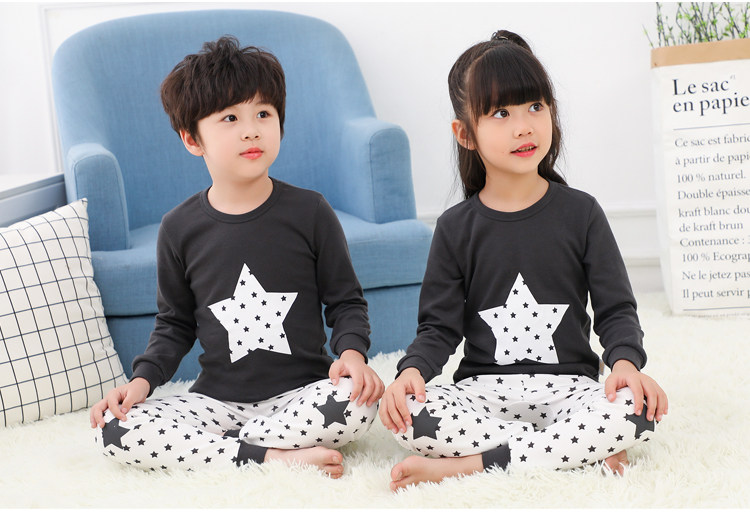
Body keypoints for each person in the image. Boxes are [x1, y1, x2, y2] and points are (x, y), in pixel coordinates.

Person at [379, 30, 668, 491]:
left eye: (535, 106)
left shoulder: (582, 213)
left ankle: (472, 465)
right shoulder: (454, 227)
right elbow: (438, 328)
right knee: (409, 416)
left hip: (571, 389)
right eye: (501, 113)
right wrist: (410, 371)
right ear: (465, 134)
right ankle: (573, 453)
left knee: (637, 410)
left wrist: (626, 365)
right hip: (483, 392)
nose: (524, 127)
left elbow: (615, 309)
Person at [89, 36, 384, 478]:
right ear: (192, 139)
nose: (251, 130)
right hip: (217, 401)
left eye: (264, 114)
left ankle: (228, 452)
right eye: (230, 118)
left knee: (358, 403)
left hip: (302, 394)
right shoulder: (179, 227)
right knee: (112, 429)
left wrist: (354, 356)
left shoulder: (310, 211)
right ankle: (271, 457)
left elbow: (346, 302)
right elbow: (174, 324)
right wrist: (140, 382)